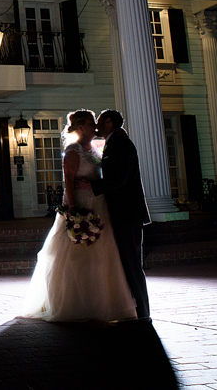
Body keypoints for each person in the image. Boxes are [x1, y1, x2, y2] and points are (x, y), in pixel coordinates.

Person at [21, 109, 137, 322]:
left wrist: (121, 133)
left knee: (103, 255)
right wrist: (73, 211)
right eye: (93, 122)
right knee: (78, 255)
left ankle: (104, 302)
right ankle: (74, 304)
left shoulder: (94, 148)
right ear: (82, 127)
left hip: (99, 205)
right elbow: (68, 182)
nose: (96, 126)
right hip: (81, 205)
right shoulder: (73, 150)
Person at [89, 109, 152, 321]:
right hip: (122, 213)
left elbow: (120, 179)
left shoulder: (121, 144)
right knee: (128, 263)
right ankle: (136, 308)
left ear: (108, 121)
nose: (96, 126)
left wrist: (91, 186)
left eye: (99, 121)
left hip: (128, 213)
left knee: (133, 263)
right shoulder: (114, 141)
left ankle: (143, 312)